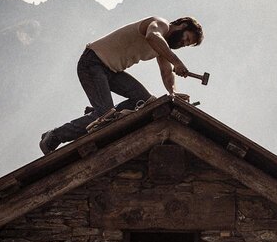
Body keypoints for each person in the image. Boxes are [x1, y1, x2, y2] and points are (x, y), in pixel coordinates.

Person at [39, 16, 203, 154]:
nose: (183, 44)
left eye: (187, 44)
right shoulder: (160, 24)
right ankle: (55, 136)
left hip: (111, 71)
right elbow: (152, 36)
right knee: (105, 115)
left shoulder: (162, 48)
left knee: (146, 101)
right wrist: (177, 61)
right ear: (183, 25)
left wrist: (173, 93)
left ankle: (102, 113)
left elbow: (167, 73)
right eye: (186, 38)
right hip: (92, 61)